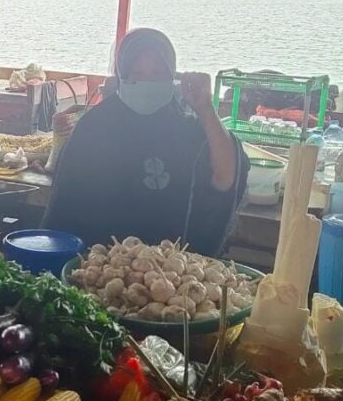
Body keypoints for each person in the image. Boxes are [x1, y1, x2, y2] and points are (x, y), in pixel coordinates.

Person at [43, 28, 248, 256]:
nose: (147, 81)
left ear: (173, 76)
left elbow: (225, 179)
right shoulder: (95, 126)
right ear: (121, 75)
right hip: (101, 266)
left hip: (170, 272)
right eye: (136, 73)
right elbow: (65, 206)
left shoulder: (188, 127)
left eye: (158, 73)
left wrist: (205, 107)